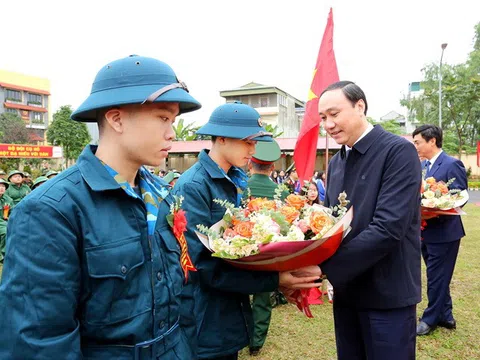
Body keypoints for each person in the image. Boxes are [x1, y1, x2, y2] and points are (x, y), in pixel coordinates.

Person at [0, 54, 202, 359]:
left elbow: (177, 297)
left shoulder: (161, 198)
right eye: (163, 117)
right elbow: (39, 342)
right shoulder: (51, 211)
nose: (172, 133)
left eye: (173, 121)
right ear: (116, 119)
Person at [172, 101, 321, 360]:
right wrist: (275, 280)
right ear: (221, 139)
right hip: (205, 317)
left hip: (227, 310)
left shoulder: (233, 180)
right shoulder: (194, 186)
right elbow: (200, 266)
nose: (253, 150)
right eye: (248, 142)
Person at [297, 81, 422, 359]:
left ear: (360, 106)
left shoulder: (397, 152)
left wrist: (323, 267)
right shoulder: (337, 162)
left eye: (334, 114)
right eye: (323, 118)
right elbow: (330, 225)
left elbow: (388, 228)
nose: (328, 125)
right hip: (347, 291)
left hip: (386, 292)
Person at [412, 124, 468, 336]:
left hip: (445, 232)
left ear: (432, 140)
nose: (415, 146)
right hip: (426, 229)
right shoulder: (425, 166)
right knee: (438, 275)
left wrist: (438, 208)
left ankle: (430, 319)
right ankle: (446, 316)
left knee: (436, 276)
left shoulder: (452, 164)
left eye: (418, 142)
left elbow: (459, 196)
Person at [244, 140, 289, 356]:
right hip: (270, 252)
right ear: (272, 167)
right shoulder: (282, 191)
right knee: (263, 297)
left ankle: (240, 334)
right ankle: (256, 341)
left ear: (249, 164)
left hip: (240, 248)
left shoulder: (241, 187)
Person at [0, 178, 13, 262]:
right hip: (2, 223)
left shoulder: (8, 199)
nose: (1, 188)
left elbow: (13, 212)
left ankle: (6, 253)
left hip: (4, 221)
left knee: (10, 229)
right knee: (5, 230)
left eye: (3, 186)